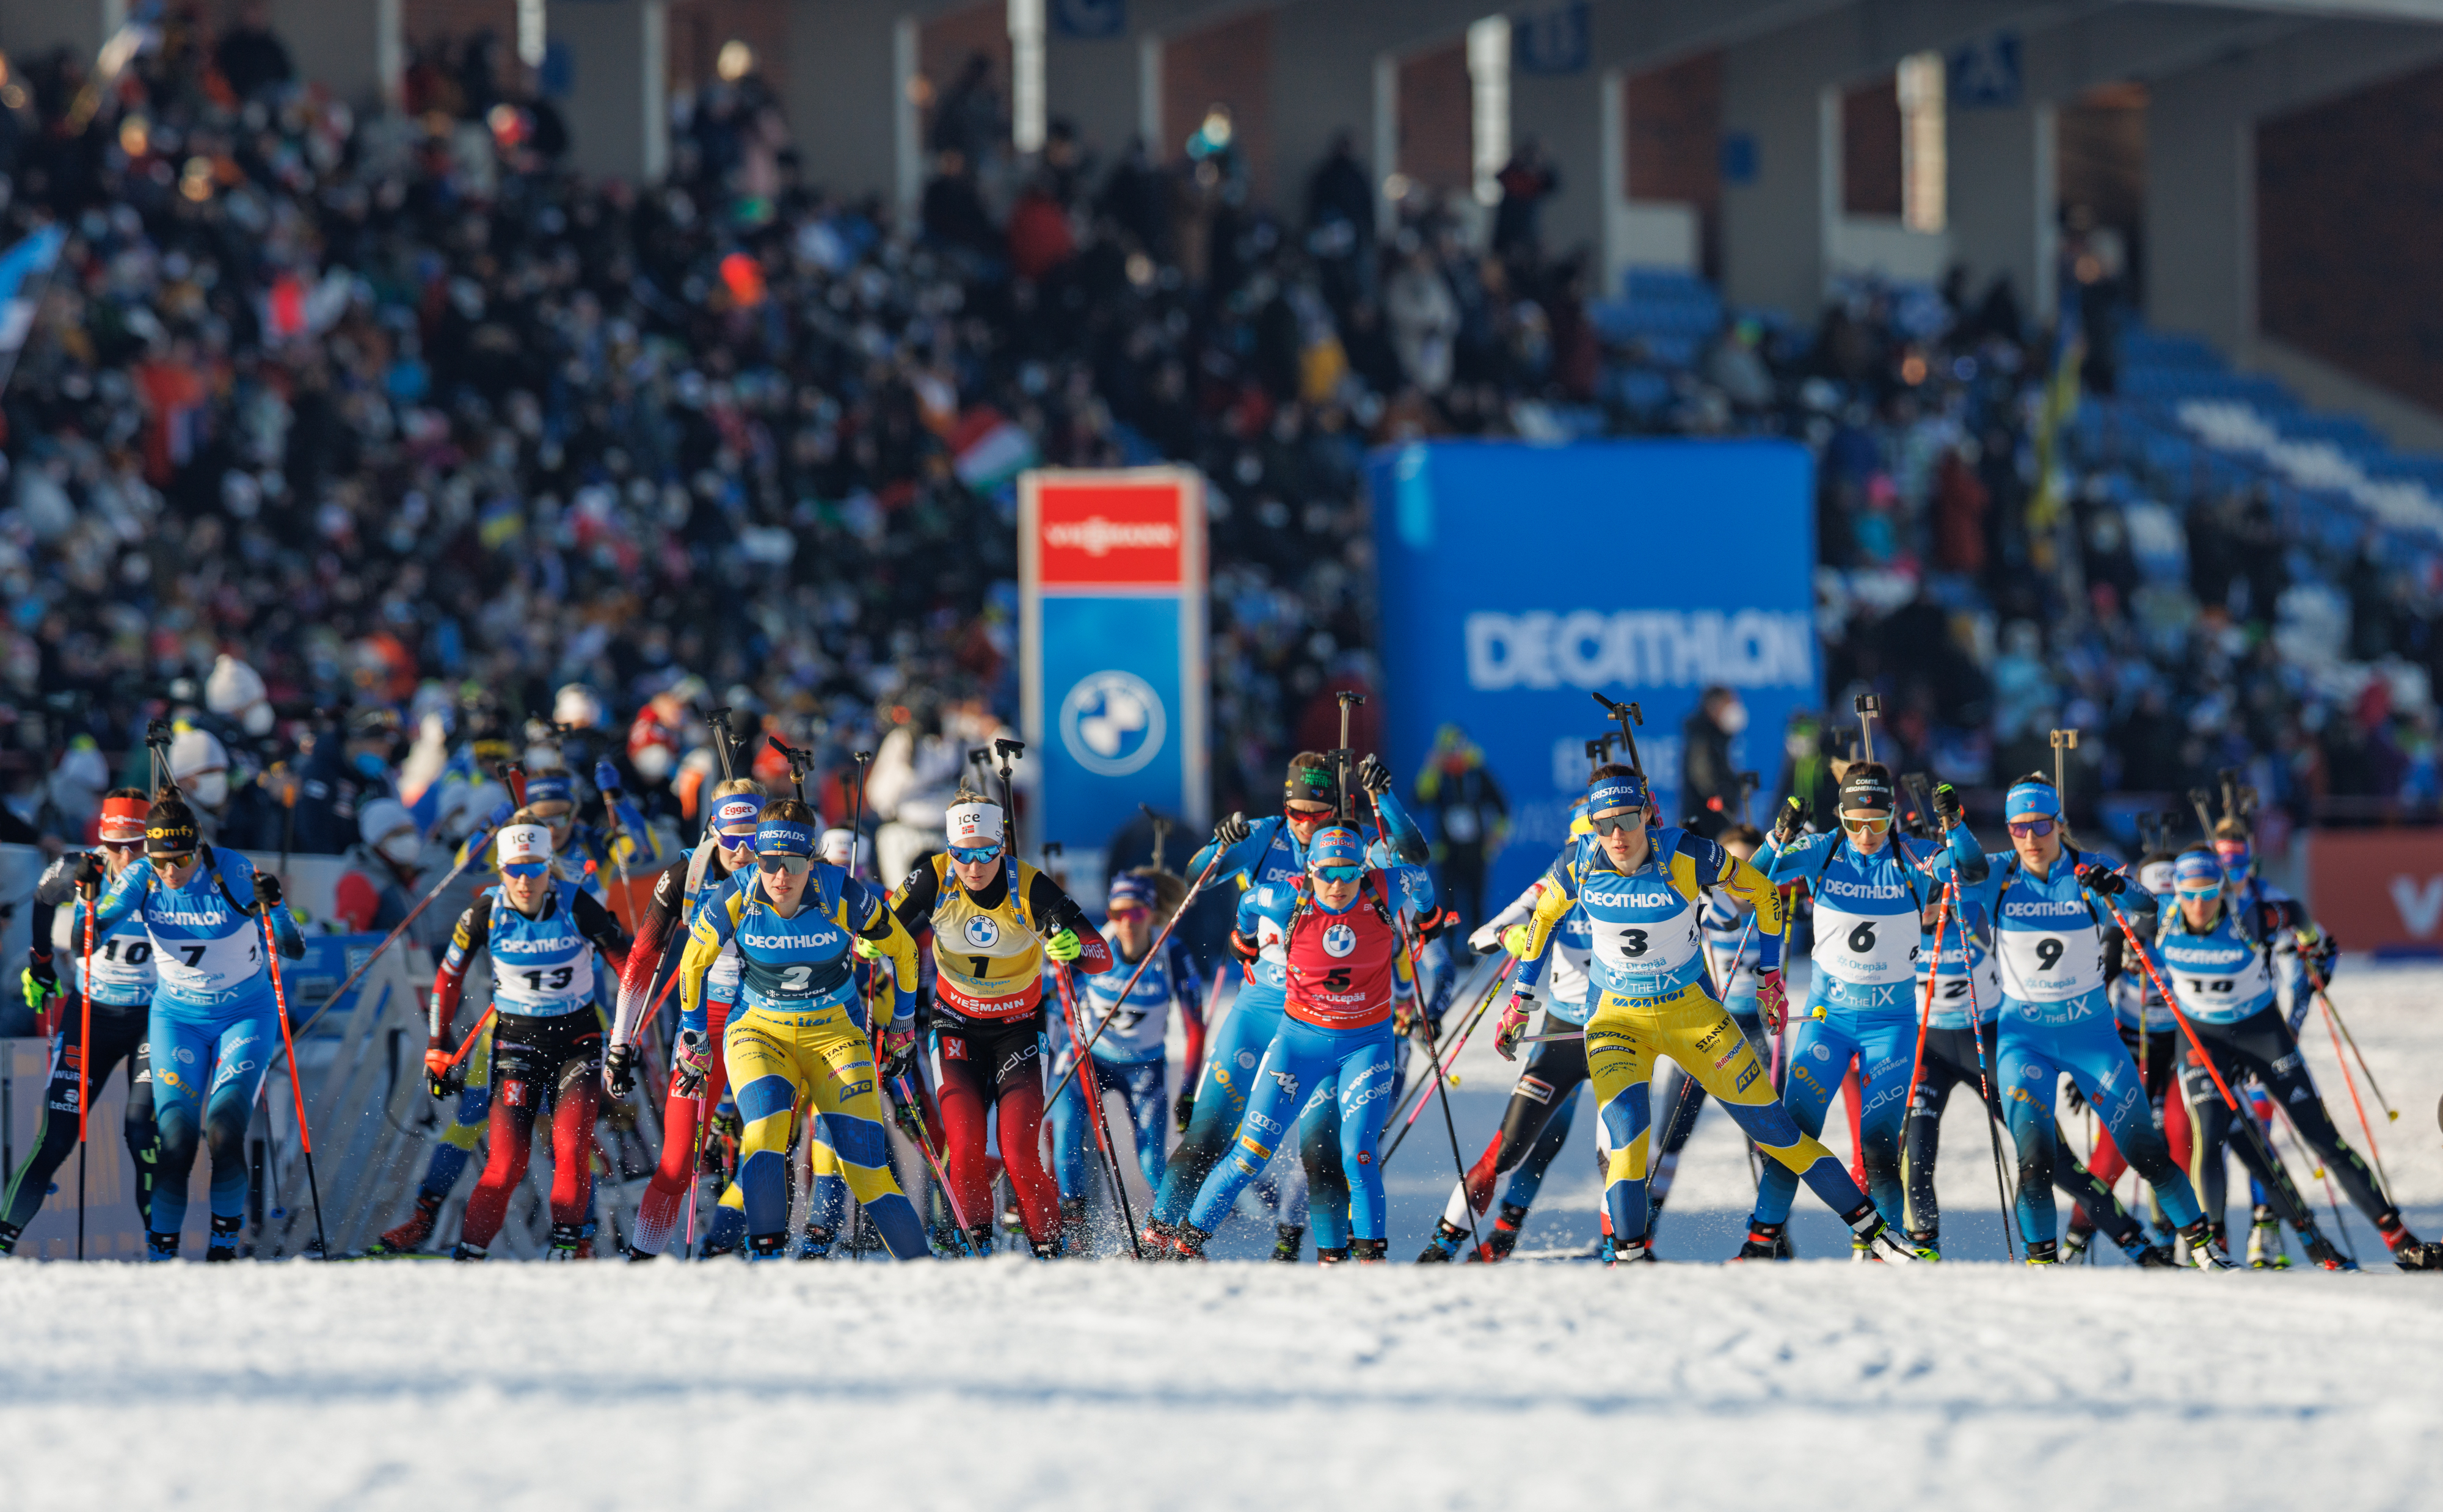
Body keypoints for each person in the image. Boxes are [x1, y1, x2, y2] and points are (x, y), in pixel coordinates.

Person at [1498, 765, 1921, 1265]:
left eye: (1627, 820)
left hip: (1691, 1015)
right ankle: (1628, 1262)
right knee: (1628, 1146)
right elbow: (1543, 919)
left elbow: (1763, 893)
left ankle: (1876, 1232)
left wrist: (1769, 979)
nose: (1616, 835)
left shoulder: (1686, 854)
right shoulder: (1579, 862)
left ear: (1647, 814)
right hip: (1616, 1021)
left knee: (1781, 1136)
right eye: (1603, 822)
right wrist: (1520, 1003)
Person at [1143, 752, 1427, 1259]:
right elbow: (1198, 877)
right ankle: (1158, 1241)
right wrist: (1219, 843)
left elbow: (1412, 858)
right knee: (1210, 1134)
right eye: (1296, 811)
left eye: (1317, 814)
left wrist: (1386, 797)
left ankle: (1333, 1259)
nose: (1304, 824)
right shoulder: (1263, 833)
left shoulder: (1356, 845)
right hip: (1263, 1007)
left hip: (1328, 1018)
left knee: (1323, 1154)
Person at [1945, 777, 2230, 1267]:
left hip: (2092, 1038)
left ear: (2059, 824)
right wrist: (1955, 826)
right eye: (2018, 828)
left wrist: (2117, 886)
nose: (2031, 839)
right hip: (2024, 1041)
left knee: (2147, 1153)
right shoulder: (2000, 874)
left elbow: (2148, 908)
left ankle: (2205, 1251)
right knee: (2035, 1160)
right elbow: (1965, 868)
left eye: (2040, 826)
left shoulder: (2087, 870)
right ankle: (2042, 1263)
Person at [2149, 848, 2440, 1270]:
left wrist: (2313, 946)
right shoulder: (2158, 918)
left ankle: (2400, 1241)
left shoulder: (2251, 919)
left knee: (2322, 1137)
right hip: (2202, 1038)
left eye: (2209, 892)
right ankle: (2212, 1251)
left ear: (2222, 890)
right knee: (2207, 1134)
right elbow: (2112, 907)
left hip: (2261, 1033)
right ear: (2175, 892)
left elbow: (2298, 914)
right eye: (2189, 893)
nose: (2199, 903)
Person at [1739, 765, 1987, 1258]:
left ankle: (1879, 1249)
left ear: (1893, 816)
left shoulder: (1912, 854)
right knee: (1793, 1139)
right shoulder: (1823, 849)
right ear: (1840, 817)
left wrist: (1955, 824)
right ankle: (1760, 1243)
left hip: (1889, 1028)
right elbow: (1753, 881)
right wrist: (1779, 835)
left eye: (1877, 823)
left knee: (1878, 1149)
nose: (1867, 835)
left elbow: (1972, 870)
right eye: (1856, 823)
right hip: (1827, 1024)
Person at [675, 798, 931, 1261]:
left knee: (867, 1170)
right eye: (770, 861)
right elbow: (692, 965)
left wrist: (903, 1024)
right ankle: (767, 1260)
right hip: (760, 1032)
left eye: (793, 863)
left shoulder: (841, 893)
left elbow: (906, 950)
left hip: (833, 1034)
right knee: (766, 1134)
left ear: (810, 860)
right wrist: (694, 1036)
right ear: (758, 856)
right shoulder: (735, 893)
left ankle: (925, 1272)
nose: (781, 876)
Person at [1902, 859, 2172, 1265]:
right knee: (1916, 1153)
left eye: (1939, 898)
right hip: (1931, 1051)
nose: (1932, 909)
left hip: (1989, 1043)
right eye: (1923, 899)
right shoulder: (1901, 929)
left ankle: (2139, 1247)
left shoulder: (1974, 914)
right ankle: (1922, 1253)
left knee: (2054, 1160)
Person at [79, 789, 305, 1260]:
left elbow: (293, 947)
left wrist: (276, 905)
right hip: (177, 1017)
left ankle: (223, 1248)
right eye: (160, 860)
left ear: (198, 847)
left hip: (244, 1015)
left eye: (179, 860)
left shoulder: (233, 871)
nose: (169, 872)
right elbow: (91, 935)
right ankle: (162, 1256)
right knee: (177, 1141)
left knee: (223, 1130)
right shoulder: (143, 876)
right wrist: (86, 897)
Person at [888, 790, 1110, 1257]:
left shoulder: (1028, 885)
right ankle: (974, 1246)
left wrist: (1072, 946)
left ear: (1002, 846)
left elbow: (1101, 955)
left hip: (1018, 1030)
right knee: (965, 1147)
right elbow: (878, 925)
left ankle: (1050, 1246)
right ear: (950, 851)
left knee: (1018, 1152)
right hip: (954, 1029)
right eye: (962, 855)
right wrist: (870, 944)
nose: (974, 867)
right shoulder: (932, 878)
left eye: (986, 852)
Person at [423, 816, 633, 1260]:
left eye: (535, 869)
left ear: (549, 866)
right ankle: (470, 1255)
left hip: (577, 1042)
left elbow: (630, 966)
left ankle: (568, 1250)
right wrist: (437, 1046)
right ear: (500, 871)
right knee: (506, 1164)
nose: (524, 879)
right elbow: (447, 977)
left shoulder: (576, 904)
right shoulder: (485, 912)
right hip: (517, 1044)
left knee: (571, 1146)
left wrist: (625, 1037)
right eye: (514, 869)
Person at [603, 779, 765, 1259]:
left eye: (753, 838)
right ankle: (643, 1260)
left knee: (769, 1143)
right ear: (713, 828)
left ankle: (760, 1251)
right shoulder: (686, 876)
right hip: (706, 1022)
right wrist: (619, 1044)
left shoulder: (784, 870)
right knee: (677, 1162)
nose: (742, 851)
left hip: (770, 1019)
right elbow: (641, 961)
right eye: (732, 837)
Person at [1, 793, 160, 1254]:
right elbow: (42, 896)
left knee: (143, 1134)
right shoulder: (81, 867)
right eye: (115, 844)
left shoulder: (168, 878)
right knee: (57, 1135)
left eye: (135, 844)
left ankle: (162, 1249)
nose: (124, 856)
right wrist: (41, 962)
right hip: (91, 1013)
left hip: (151, 1020)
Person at [1418, 858, 1595, 1263]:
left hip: (1622, 1032)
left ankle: (1623, 1247)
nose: (1607, 844)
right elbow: (1479, 938)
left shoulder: (1652, 878)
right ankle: (1442, 1251)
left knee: (1618, 1150)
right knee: (1517, 1146)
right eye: (1587, 837)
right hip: (1562, 1031)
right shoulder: (1557, 880)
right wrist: (1512, 935)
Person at [1645, 822, 1777, 1254]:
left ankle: (1773, 1237)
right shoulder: (1707, 900)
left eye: (1746, 864)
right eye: (1730, 864)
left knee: (1770, 1141)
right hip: (1705, 1028)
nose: (1736, 874)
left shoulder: (1770, 904)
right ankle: (1643, 1232)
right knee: (1670, 1139)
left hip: (1753, 1032)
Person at [1049, 869, 1204, 1226]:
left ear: (1151, 913)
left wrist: (1188, 1092)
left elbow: (1196, 1029)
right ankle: (1075, 1228)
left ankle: (1177, 1231)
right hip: (1089, 1058)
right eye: (1116, 914)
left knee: (1152, 1160)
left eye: (1134, 913)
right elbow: (1056, 997)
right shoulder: (1093, 947)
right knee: (1067, 1136)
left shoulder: (1172, 954)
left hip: (1144, 1068)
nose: (1125, 923)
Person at [1413, 725, 1507, 932]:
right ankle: (1452, 950)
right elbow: (1420, 799)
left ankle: (1475, 948)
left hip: (1477, 851)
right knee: (1449, 902)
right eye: (1449, 750)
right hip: (1448, 852)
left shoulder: (1479, 774)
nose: (1454, 755)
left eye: (1459, 749)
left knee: (1476, 902)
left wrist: (1495, 839)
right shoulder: (1438, 776)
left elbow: (1503, 808)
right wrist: (1431, 768)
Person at [1678, 687, 1749, 840]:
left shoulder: (1718, 736)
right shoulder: (1702, 737)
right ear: (1714, 706)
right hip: (1705, 822)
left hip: (1713, 820)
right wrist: (1724, 794)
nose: (1734, 708)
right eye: (1729, 703)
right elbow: (1703, 776)